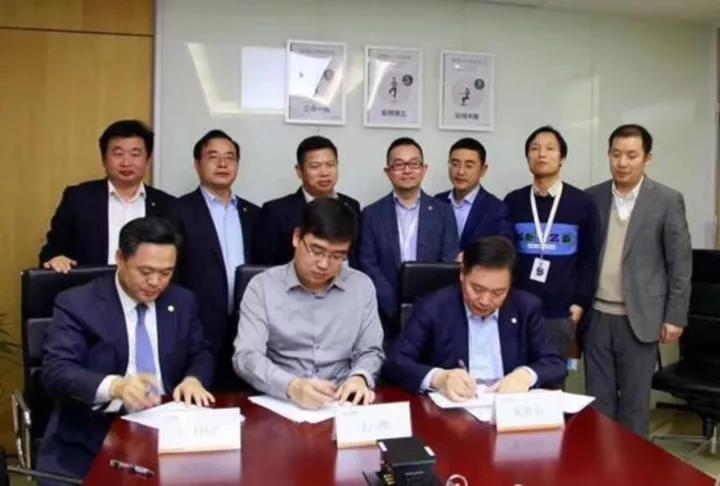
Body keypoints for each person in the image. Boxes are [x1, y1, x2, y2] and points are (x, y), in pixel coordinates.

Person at [38, 217, 214, 481]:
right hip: (93, 434)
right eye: (145, 271)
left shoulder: (182, 301)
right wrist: (116, 386)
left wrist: (193, 379)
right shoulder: (77, 303)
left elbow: (201, 352)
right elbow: (57, 371)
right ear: (120, 259)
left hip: (170, 430)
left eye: (166, 273)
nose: (155, 282)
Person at [585, 124, 692, 436]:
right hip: (596, 316)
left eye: (632, 155)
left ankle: (632, 465)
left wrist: (675, 316)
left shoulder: (667, 200)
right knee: (598, 403)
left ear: (647, 158)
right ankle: (600, 463)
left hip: (641, 318)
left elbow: (680, 263)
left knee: (634, 406)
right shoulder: (592, 197)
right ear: (608, 155)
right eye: (616, 154)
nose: (622, 162)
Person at [233, 198, 384, 409]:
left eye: (337, 256)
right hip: (282, 401)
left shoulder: (361, 286)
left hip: (342, 403)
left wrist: (360, 377)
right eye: (316, 250)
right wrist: (291, 386)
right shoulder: (262, 287)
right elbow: (246, 356)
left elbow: (370, 350)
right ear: (297, 237)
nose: (324, 264)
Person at [384, 236, 566, 400]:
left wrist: (525, 375)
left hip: (508, 409)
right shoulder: (434, 307)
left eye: (498, 292)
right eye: (477, 289)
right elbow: (396, 362)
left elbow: (554, 363)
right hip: (454, 412)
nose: (485, 301)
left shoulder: (525, 307)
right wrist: (440, 378)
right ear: (462, 273)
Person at [169, 129, 259, 390]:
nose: (222, 164)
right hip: (196, 327)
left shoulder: (254, 214)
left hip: (246, 327)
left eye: (230, 158)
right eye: (213, 157)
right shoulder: (177, 211)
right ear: (197, 165)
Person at [503, 126, 600, 366]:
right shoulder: (513, 201)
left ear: (562, 157)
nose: (541, 154)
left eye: (549, 148)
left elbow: (590, 258)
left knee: (553, 378)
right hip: (518, 308)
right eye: (534, 149)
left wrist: (580, 303)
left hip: (562, 311)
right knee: (515, 375)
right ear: (527, 158)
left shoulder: (582, 203)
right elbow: (505, 256)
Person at [38, 120, 176, 272]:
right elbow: (52, 250)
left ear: (148, 160)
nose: (126, 162)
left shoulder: (167, 205)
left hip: (149, 286)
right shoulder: (79, 199)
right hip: (91, 285)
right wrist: (55, 258)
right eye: (118, 154)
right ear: (104, 159)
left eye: (135, 154)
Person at [359, 137, 459, 336]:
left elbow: (449, 262)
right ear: (388, 171)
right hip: (383, 314)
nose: (407, 170)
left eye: (414, 164)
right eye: (399, 164)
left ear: (424, 169)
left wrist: (427, 307)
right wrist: (391, 305)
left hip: (432, 313)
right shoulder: (371, 214)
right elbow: (367, 263)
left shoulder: (443, 212)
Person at [255, 136, 360, 265]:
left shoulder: (351, 206)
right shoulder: (275, 212)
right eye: (315, 166)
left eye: (330, 165)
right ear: (299, 171)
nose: (324, 173)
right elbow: (266, 264)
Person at [435, 137, 513, 250]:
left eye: (469, 166)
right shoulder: (437, 202)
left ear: (483, 170)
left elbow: (503, 251)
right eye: (455, 164)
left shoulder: (496, 209)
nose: (460, 171)